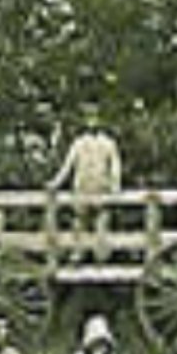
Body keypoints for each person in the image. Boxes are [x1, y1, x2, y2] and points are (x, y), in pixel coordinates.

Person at [48, 108, 123, 261]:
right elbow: (67, 165)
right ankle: (77, 254)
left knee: (102, 223)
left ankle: (101, 258)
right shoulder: (78, 143)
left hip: (102, 189)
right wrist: (55, 183)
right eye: (89, 118)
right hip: (81, 189)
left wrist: (116, 185)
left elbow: (115, 166)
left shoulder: (108, 143)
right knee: (78, 224)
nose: (92, 122)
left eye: (95, 118)